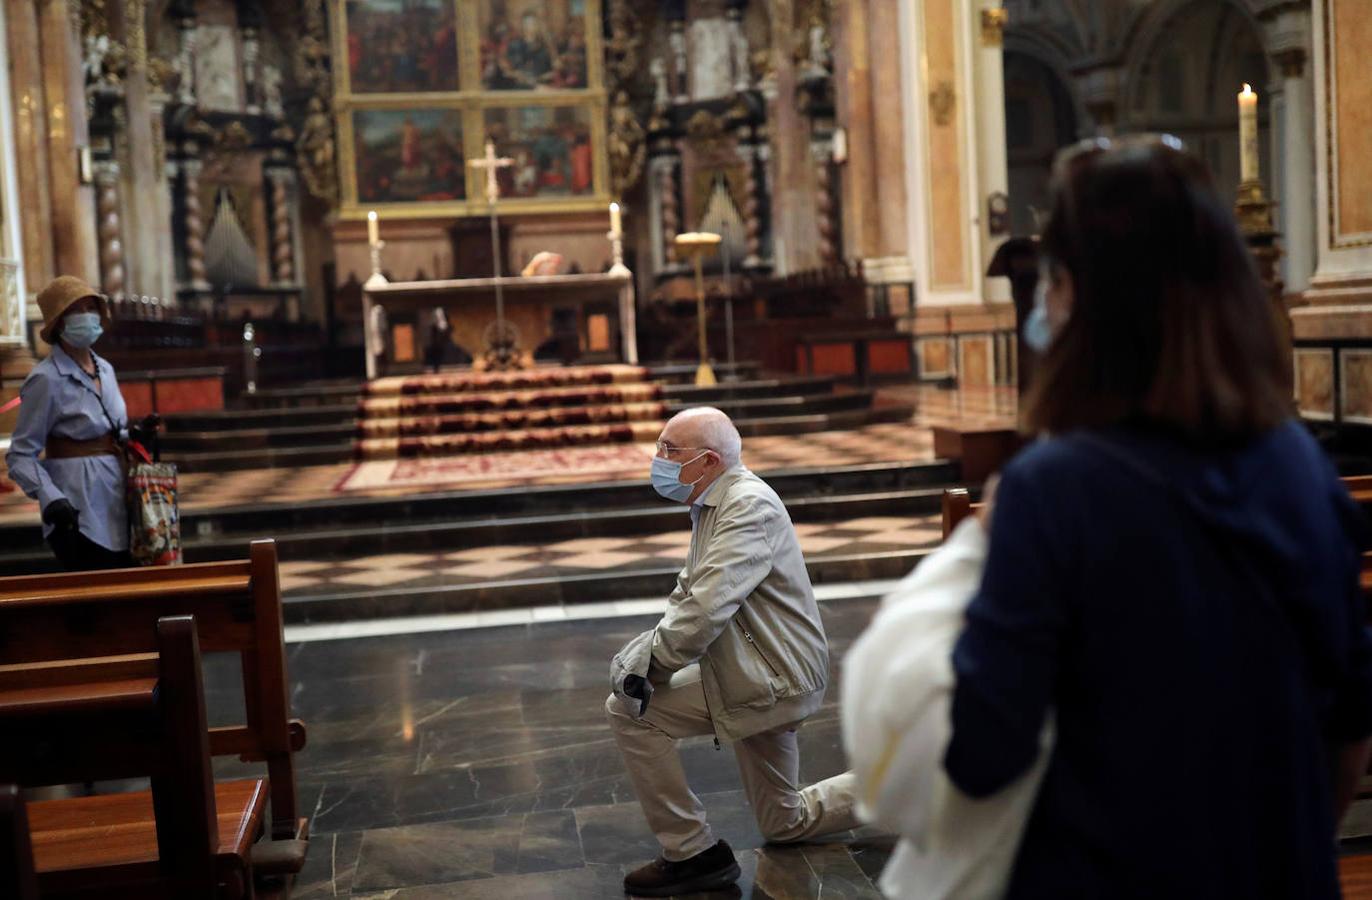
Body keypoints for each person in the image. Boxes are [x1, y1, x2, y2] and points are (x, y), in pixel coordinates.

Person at [944, 136, 1372, 897]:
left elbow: (981, 754)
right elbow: (1346, 734)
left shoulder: (1051, 491)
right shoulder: (1301, 467)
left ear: (1078, 295)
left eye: (1051, 277)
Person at [606, 407, 858, 897]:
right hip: (754, 666)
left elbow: (705, 610)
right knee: (784, 822)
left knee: (631, 711)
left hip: (771, 676)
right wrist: (644, 658)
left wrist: (645, 669)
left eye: (669, 450)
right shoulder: (713, 503)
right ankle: (913, 779)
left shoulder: (747, 507)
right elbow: (688, 593)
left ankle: (691, 851)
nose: (658, 459)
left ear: (707, 461)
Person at [6, 276, 156, 571]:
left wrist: (138, 438)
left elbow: (114, 429)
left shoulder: (107, 369)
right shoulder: (45, 379)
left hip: (119, 498)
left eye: (92, 307)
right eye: (78, 309)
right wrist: (50, 498)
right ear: (60, 322)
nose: (88, 315)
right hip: (75, 508)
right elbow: (20, 455)